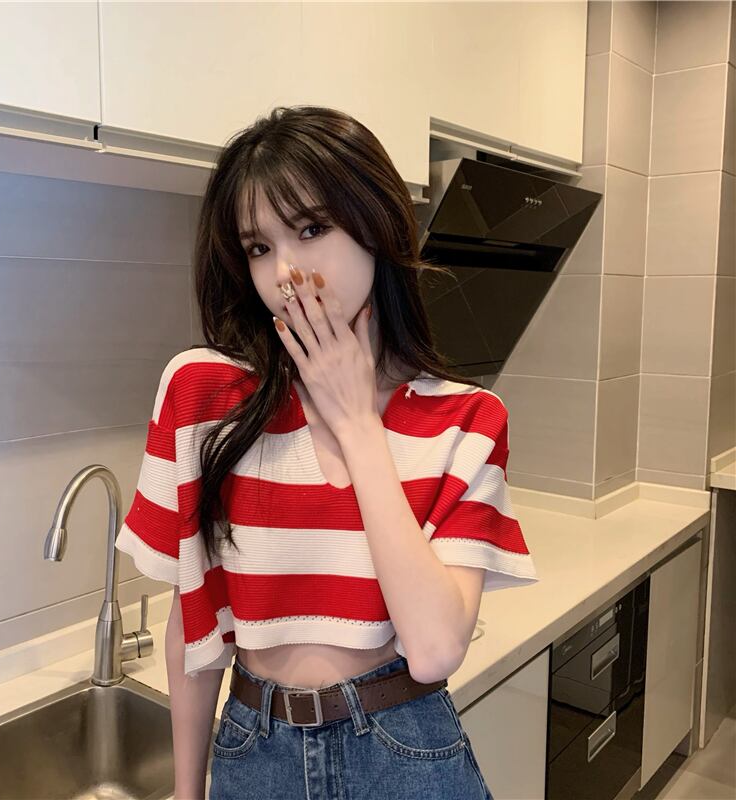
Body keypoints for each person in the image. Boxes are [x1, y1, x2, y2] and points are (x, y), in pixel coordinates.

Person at [115, 105, 539, 800]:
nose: (286, 271)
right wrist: (187, 794)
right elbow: (191, 624)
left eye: (312, 229)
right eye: (259, 247)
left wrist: (358, 424)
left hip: (404, 750)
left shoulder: (466, 420)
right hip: (254, 750)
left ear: (377, 225)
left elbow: (435, 649)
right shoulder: (204, 397)